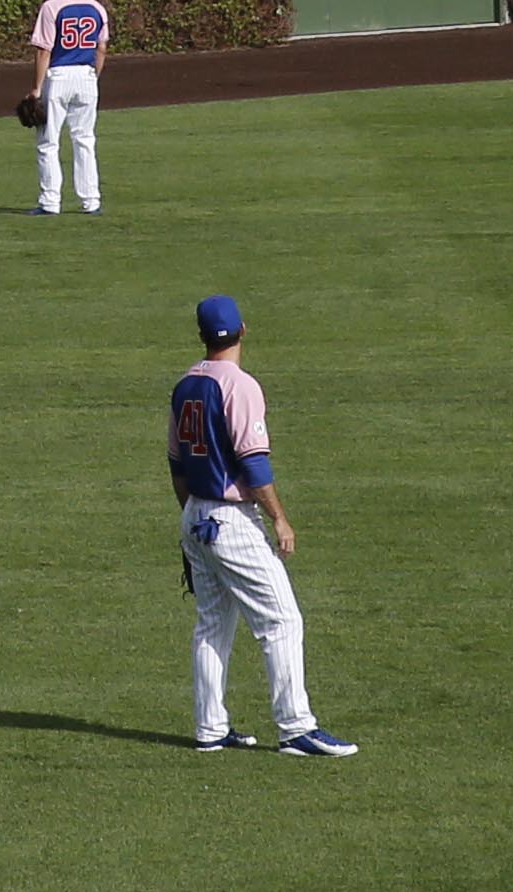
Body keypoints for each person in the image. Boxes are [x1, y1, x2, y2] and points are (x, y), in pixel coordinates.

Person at [168, 293, 353, 756]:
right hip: (231, 520)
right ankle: (296, 728)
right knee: (282, 620)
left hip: (195, 513)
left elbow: (175, 465)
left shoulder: (185, 385)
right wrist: (280, 519)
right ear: (243, 331)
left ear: (202, 336)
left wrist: (192, 521)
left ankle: (210, 729)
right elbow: (254, 464)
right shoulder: (241, 386)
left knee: (212, 624)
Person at [28, 0, 110, 216]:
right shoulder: (98, 7)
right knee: (84, 139)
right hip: (87, 76)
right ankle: (91, 201)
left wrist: (37, 88)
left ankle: (50, 202)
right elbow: (102, 49)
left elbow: (44, 51)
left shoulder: (52, 7)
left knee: (48, 142)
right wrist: (93, 79)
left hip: (59, 77)